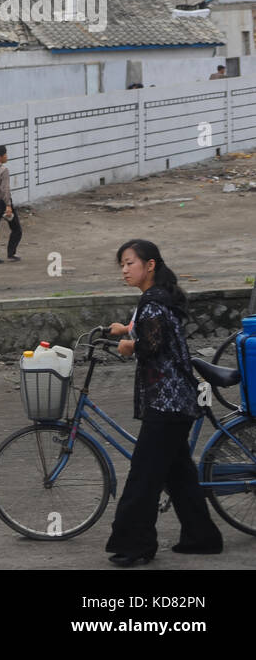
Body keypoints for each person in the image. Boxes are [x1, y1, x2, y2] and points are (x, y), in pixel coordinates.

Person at [104, 239, 223, 566]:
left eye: (130, 263)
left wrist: (130, 346)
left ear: (150, 265)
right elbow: (151, 331)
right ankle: (203, 538)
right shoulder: (156, 299)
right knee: (178, 474)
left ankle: (136, 545)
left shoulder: (153, 302)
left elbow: (151, 345)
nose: (125, 270)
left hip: (167, 403)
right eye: (122, 265)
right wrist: (126, 329)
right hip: (175, 400)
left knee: (144, 476)